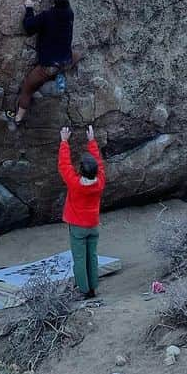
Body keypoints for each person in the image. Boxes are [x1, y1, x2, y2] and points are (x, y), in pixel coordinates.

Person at [11, 0, 76, 126]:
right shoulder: (69, 13)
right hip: (66, 60)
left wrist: (29, 9)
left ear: (53, 4)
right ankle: (59, 77)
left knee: (27, 87)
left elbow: (29, 27)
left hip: (48, 66)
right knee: (77, 55)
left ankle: (18, 118)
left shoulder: (47, 16)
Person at [58, 124, 105, 299]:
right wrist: (92, 141)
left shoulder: (75, 184)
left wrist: (64, 142)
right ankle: (93, 287)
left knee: (79, 258)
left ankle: (84, 291)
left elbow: (64, 165)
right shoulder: (99, 182)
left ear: (81, 170)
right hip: (92, 224)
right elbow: (99, 164)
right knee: (92, 256)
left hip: (77, 226)